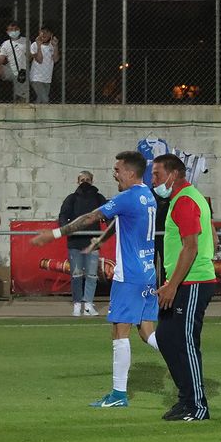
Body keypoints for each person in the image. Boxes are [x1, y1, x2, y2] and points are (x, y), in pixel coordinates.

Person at [33, 151, 163, 408]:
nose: (114, 173)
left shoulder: (127, 197)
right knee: (147, 332)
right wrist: (101, 240)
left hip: (129, 276)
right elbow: (121, 221)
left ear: (130, 172)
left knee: (119, 331)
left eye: (117, 169)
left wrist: (56, 233)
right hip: (148, 272)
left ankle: (118, 394)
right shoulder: (148, 195)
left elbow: (92, 216)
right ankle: (184, 359)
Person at [150, 153, 217, 422]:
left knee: (186, 341)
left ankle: (196, 405)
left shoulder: (185, 200)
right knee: (166, 337)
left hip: (192, 283)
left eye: (156, 174)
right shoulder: (182, 200)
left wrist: (171, 285)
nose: (153, 180)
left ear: (173, 174)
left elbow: (190, 247)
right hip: (181, 282)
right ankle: (186, 398)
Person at [58, 170, 107, 316]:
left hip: (93, 242)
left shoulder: (99, 198)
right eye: (82, 179)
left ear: (92, 181)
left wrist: (111, 224)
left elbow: (108, 212)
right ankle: (77, 304)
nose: (84, 182)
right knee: (76, 275)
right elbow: (63, 215)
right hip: (75, 243)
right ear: (77, 181)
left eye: (87, 179)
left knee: (92, 275)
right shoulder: (71, 199)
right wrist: (67, 229)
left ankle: (88, 305)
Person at [0, 21, 31, 103]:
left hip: (22, 72)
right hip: (10, 70)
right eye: (11, 30)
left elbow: (30, 57)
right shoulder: (5, 44)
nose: (13, 31)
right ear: (7, 32)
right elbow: (0, 61)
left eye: (15, 29)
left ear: (19, 29)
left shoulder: (26, 41)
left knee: (22, 101)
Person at [28, 25, 57, 103]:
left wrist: (55, 46)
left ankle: (34, 114)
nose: (44, 34)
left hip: (47, 78)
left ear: (51, 34)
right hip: (36, 78)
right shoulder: (34, 45)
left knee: (40, 100)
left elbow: (56, 59)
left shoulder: (52, 46)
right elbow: (39, 60)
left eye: (46, 32)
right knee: (45, 99)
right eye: (42, 32)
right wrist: (39, 46)